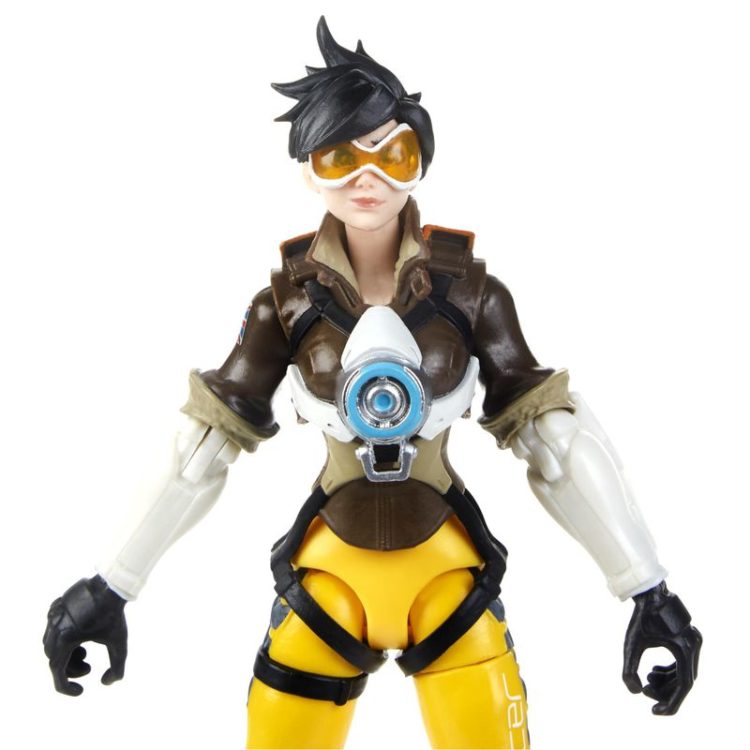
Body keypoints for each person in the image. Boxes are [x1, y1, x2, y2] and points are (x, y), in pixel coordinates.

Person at [44, 17, 702, 749]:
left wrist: (647, 589)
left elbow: (556, 443)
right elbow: (199, 451)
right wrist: (111, 584)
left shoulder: (470, 295)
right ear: (308, 168)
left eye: (393, 153)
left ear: (421, 160)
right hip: (328, 580)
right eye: (339, 157)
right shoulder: (284, 304)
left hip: (448, 578)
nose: (368, 178)